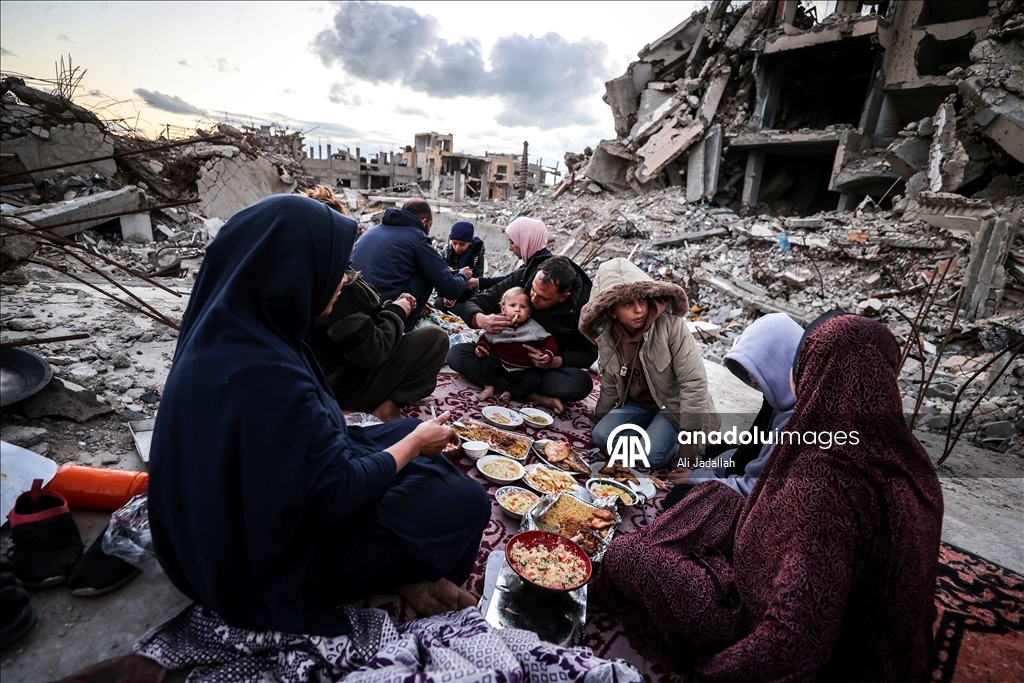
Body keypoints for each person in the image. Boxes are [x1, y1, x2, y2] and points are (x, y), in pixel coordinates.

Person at [148, 195, 490, 637]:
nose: (341, 280)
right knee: (465, 501)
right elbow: (334, 496)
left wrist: (405, 441)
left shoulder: (240, 329)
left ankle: (403, 556)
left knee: (406, 432)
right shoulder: (268, 376)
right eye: (333, 268)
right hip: (262, 560)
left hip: (244, 511)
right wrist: (412, 446)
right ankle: (404, 571)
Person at [591, 313, 944, 681]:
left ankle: (612, 576)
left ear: (813, 369)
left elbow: (792, 645)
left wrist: (710, 673)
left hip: (762, 632)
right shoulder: (909, 461)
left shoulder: (825, 480)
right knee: (712, 497)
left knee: (627, 554)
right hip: (864, 636)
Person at [579, 258, 720, 469]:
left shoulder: (672, 327)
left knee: (651, 455)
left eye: (642, 301)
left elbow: (694, 383)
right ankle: (651, 433)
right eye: (628, 304)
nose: (639, 310)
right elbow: (609, 382)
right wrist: (601, 416)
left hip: (673, 407)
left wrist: (690, 445)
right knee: (601, 435)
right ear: (611, 310)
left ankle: (667, 438)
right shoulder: (608, 335)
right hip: (639, 405)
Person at [666, 312, 804, 502]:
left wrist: (696, 477)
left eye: (760, 365)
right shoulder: (782, 397)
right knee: (716, 450)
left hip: (758, 499)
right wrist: (708, 469)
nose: (753, 379)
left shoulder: (795, 421)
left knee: (677, 498)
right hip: (751, 472)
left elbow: (752, 488)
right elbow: (749, 453)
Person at [448, 255, 597, 414]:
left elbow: (588, 353)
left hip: (537, 370)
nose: (533, 298)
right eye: (533, 289)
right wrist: (481, 320)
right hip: (499, 360)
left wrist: (556, 361)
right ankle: (531, 395)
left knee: (580, 384)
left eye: (543, 297)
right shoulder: (523, 278)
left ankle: (516, 387)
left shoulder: (585, 305)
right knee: (457, 355)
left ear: (563, 297)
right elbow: (473, 304)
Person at [351, 199, 473, 332]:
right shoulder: (417, 238)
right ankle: (404, 332)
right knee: (428, 271)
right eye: (430, 226)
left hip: (353, 309)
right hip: (380, 313)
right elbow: (450, 289)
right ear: (424, 221)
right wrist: (463, 276)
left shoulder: (373, 231)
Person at [475, 287, 557, 403]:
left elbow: (548, 339)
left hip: (523, 369)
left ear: (529, 312)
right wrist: (482, 347)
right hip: (500, 363)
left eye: (523, 307)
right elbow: (486, 338)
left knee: (534, 381)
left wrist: (548, 353)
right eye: (512, 305)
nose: (517, 310)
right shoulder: (498, 324)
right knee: (488, 362)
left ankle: (511, 392)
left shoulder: (533, 327)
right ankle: (489, 388)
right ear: (503, 309)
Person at [433, 221, 487, 321]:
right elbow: (439, 278)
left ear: (470, 242)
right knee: (438, 304)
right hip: (447, 293)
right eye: (454, 243)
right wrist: (446, 295)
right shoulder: (446, 253)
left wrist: (456, 296)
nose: (457, 247)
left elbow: (477, 283)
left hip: (466, 296)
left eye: (462, 244)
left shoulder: (476, 255)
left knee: (462, 310)